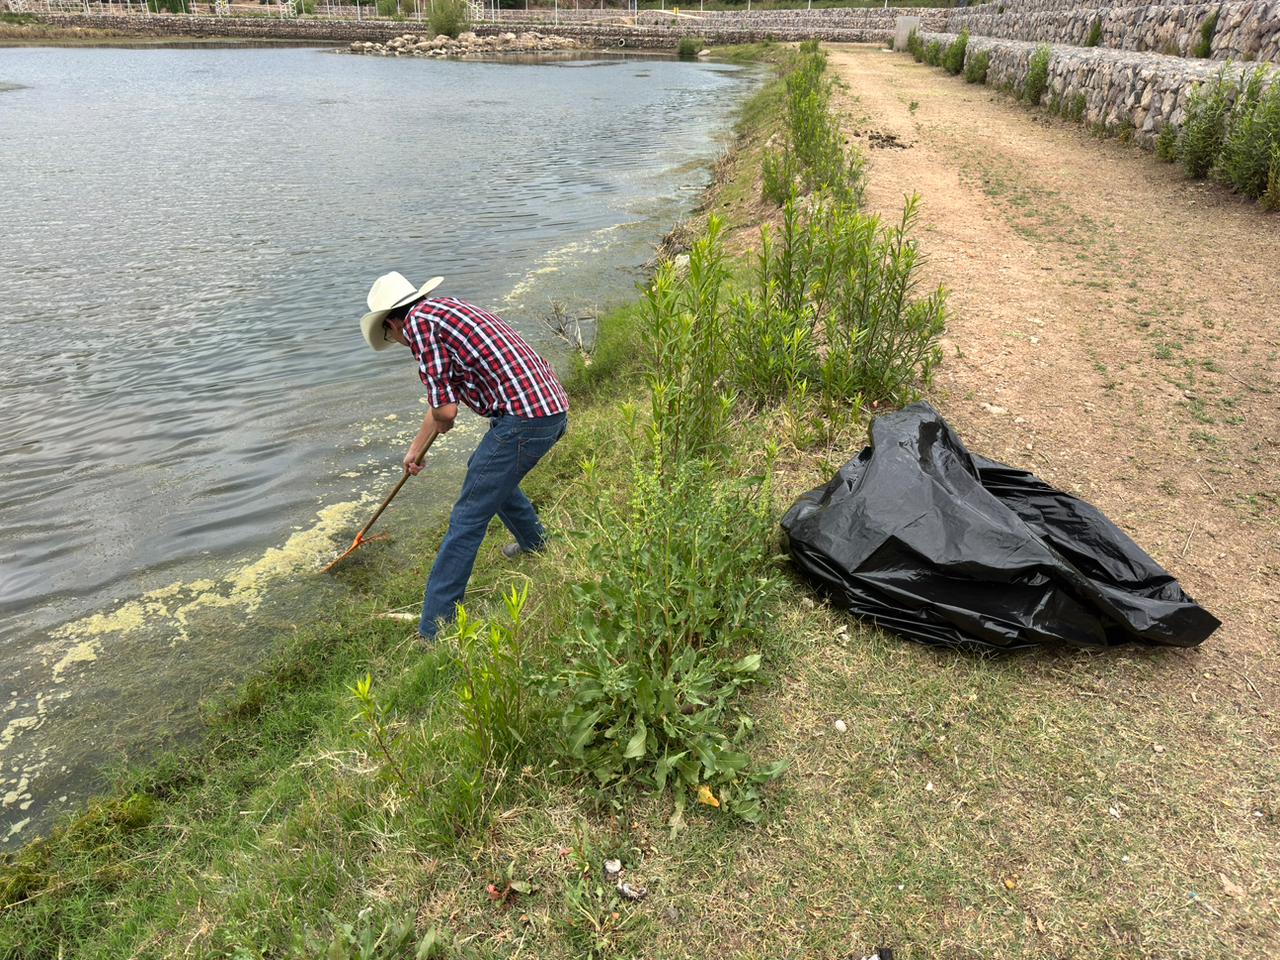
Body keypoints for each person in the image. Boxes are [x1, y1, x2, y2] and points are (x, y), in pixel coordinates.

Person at [359, 272, 568, 641]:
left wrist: (442, 419)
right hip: (548, 408)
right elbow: (441, 401)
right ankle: (535, 543)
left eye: (391, 336)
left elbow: (446, 412)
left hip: (526, 419)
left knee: (468, 517)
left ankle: (435, 628)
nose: (398, 342)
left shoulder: (420, 326)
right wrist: (414, 450)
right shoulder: (445, 311)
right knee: (485, 475)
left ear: (393, 322)